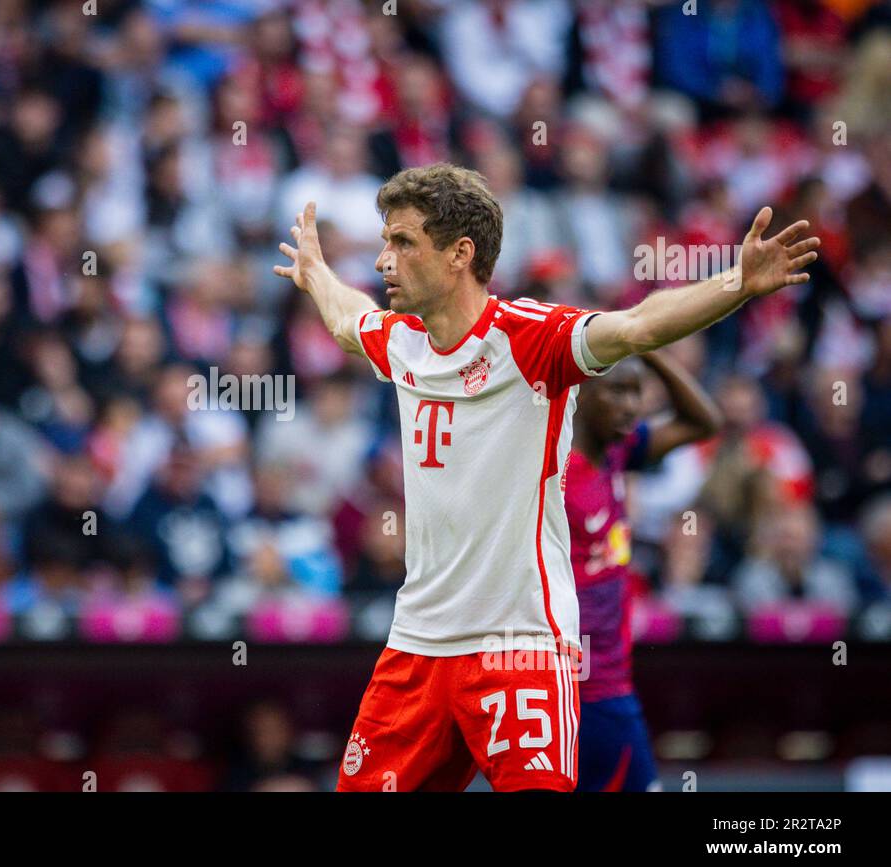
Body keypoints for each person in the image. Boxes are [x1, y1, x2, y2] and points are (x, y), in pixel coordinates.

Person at [272, 162, 818, 791]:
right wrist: (315, 274)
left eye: (402, 243)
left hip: (520, 643)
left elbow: (638, 326)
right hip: (417, 645)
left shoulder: (531, 339)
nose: (383, 261)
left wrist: (736, 285)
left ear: (459, 254)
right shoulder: (402, 342)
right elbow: (346, 320)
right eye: (384, 242)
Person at [567, 352, 722, 792]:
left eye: (638, 392)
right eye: (618, 391)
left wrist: (650, 348)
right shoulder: (552, 476)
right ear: (579, 392)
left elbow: (703, 422)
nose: (632, 406)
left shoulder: (619, 451)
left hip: (611, 682)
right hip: (579, 686)